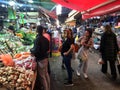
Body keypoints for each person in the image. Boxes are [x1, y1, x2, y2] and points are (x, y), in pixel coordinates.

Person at [30, 25, 50, 90]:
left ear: (37, 31)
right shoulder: (46, 39)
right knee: (46, 74)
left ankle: (46, 88)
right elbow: (47, 49)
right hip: (46, 58)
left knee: (42, 76)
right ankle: (48, 87)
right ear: (42, 31)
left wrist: (31, 50)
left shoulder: (37, 39)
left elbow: (36, 50)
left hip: (40, 59)